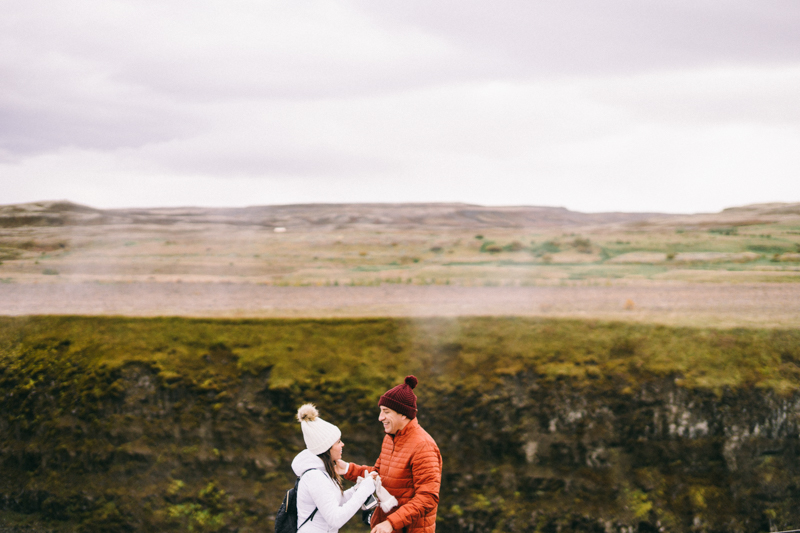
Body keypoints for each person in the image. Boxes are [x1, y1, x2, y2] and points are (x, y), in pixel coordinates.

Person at [337, 376, 442, 533]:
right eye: (381, 412)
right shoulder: (390, 438)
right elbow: (378, 475)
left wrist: (391, 523)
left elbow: (428, 498)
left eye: (386, 412)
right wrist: (346, 469)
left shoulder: (424, 447)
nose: (380, 418)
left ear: (404, 414)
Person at [292, 403, 377, 532]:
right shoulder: (315, 477)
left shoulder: (322, 473)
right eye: (338, 442)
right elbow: (335, 519)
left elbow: (336, 502)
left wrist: (357, 489)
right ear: (326, 448)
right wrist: (364, 490)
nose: (342, 444)